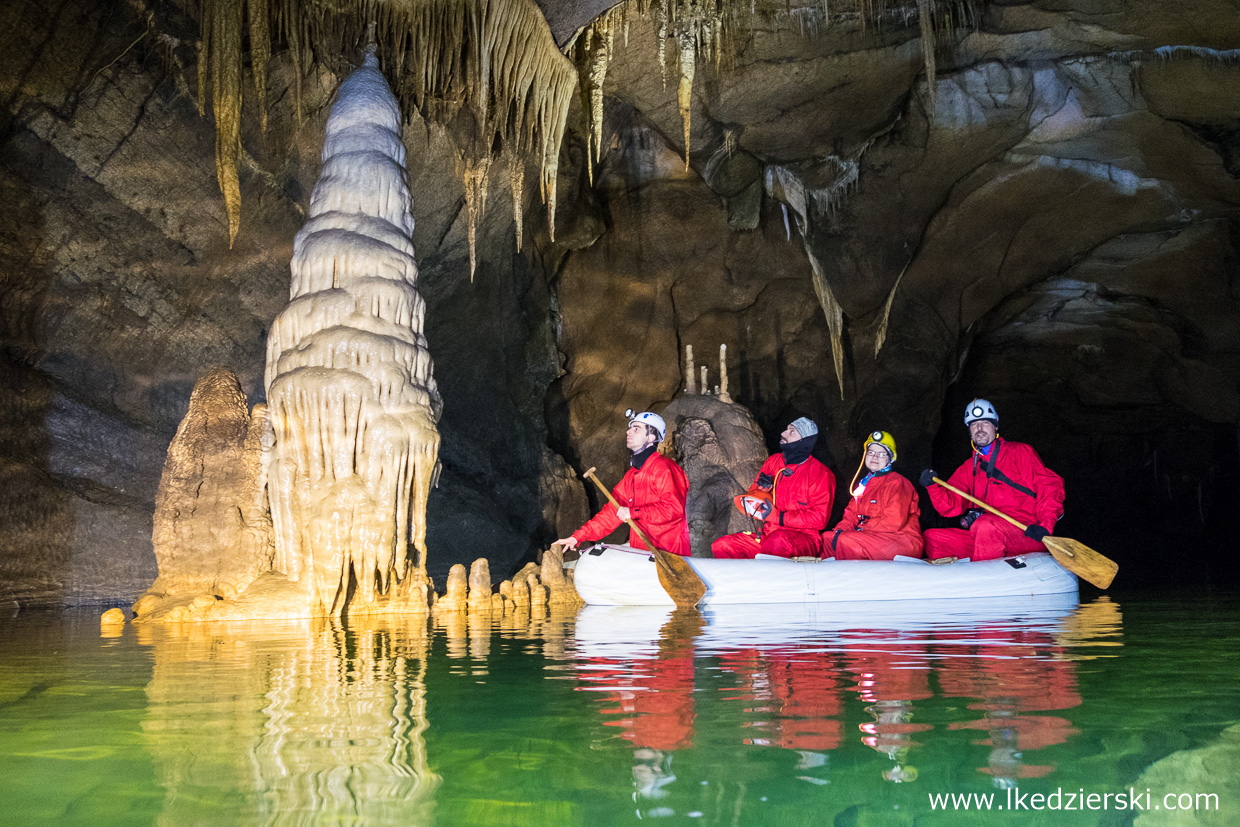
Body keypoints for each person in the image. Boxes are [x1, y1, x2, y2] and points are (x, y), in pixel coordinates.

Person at [920, 399, 1065, 562]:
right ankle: (955, 584)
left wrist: (1045, 525)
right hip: (987, 536)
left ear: (995, 426)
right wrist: (932, 486)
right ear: (969, 431)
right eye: (974, 424)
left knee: (985, 526)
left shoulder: (1019, 452)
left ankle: (984, 581)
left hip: (1027, 534)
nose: (979, 428)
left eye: (985, 423)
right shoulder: (969, 467)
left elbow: (1050, 487)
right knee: (933, 538)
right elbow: (950, 506)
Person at [555, 410, 692, 557]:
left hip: (669, 555)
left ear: (651, 437)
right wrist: (578, 537)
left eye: (636, 429)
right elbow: (612, 513)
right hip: (642, 554)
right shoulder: (632, 475)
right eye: (629, 428)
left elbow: (673, 509)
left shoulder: (665, 468)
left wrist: (633, 512)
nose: (628, 432)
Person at [712, 417, 835, 559]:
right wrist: (760, 490)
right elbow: (753, 494)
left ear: (804, 442)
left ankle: (770, 580)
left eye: (792, 432)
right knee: (723, 545)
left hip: (804, 539)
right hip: (768, 535)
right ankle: (740, 581)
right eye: (787, 428)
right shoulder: (774, 462)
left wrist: (778, 517)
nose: (783, 433)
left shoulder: (821, 474)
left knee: (777, 542)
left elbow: (819, 519)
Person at [823, 431, 923, 560]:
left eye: (881, 454)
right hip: (872, 537)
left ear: (890, 458)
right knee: (828, 538)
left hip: (901, 540)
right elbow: (851, 514)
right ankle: (825, 577)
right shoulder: (864, 484)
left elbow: (893, 522)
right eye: (871, 452)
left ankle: (849, 577)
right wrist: (840, 530)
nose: (875, 457)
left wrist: (859, 530)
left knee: (846, 540)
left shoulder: (897, 483)